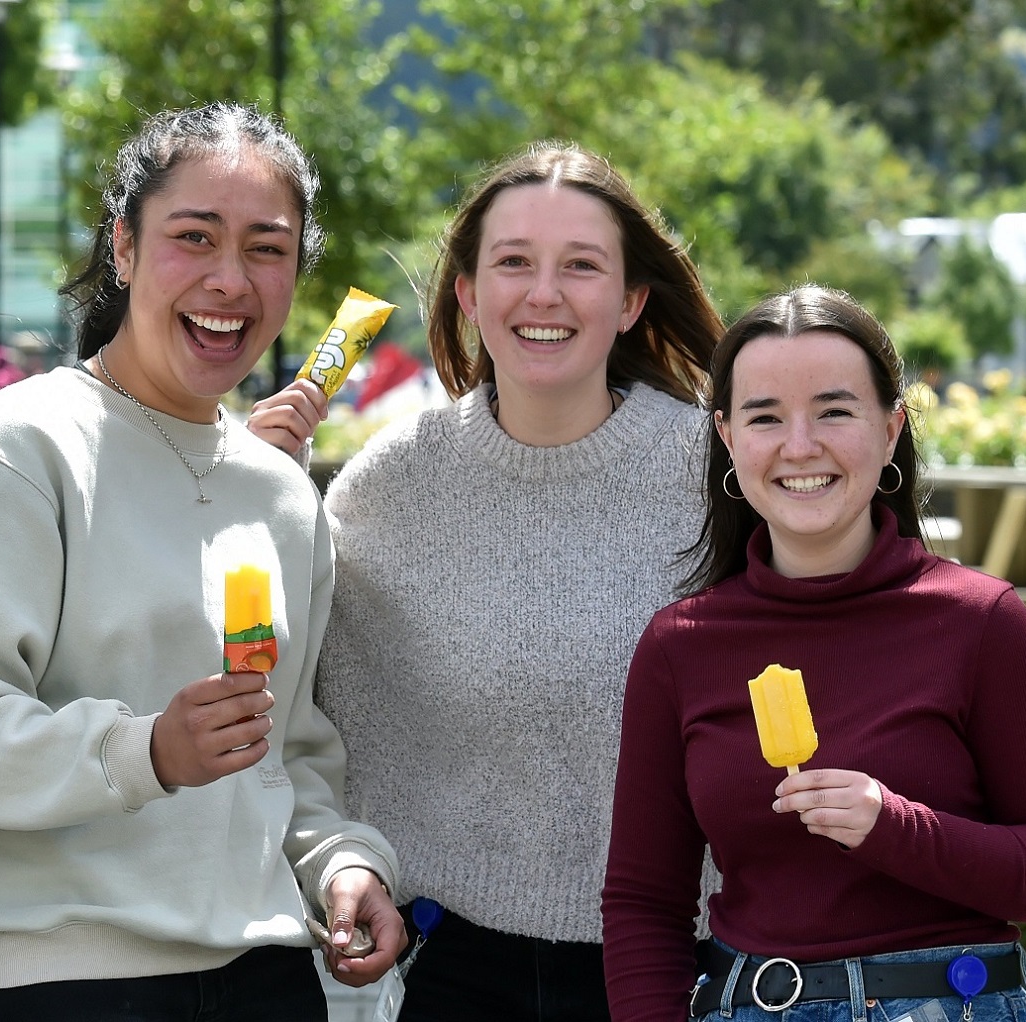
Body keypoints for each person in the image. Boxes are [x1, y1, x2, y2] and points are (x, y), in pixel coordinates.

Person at [0, 102, 405, 1021]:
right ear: (122, 249)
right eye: (193, 238)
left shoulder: (282, 493)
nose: (229, 280)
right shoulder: (21, 448)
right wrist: (145, 751)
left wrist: (339, 863)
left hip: (261, 974)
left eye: (266, 248)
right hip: (45, 980)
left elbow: (283, 753)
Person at [249, 141, 722, 1020]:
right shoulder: (388, 485)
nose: (543, 294)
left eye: (580, 267)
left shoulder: (718, 477)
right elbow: (293, 701)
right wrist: (254, 502)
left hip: (679, 963)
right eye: (512, 263)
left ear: (630, 302)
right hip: (446, 962)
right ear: (468, 294)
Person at [601, 285, 1026, 1022]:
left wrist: (894, 827)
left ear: (891, 428)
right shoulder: (680, 646)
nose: (799, 446)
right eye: (764, 417)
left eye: (834, 411)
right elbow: (644, 903)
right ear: (728, 439)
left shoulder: (981, 623)